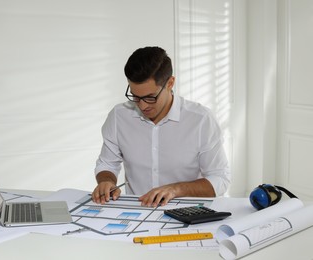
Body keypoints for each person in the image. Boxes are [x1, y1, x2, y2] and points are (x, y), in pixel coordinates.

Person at [91, 46, 231, 207]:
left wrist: (175, 189)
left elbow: (220, 178)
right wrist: (106, 181)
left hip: (187, 213)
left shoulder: (201, 120)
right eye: (135, 97)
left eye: (150, 97)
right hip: (137, 213)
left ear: (170, 83)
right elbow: (107, 163)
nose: (142, 106)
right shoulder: (119, 116)